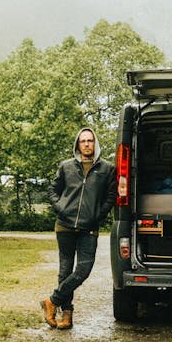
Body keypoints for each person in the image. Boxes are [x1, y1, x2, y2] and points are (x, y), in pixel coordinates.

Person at [40, 127, 116, 329]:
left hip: (88, 228)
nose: (87, 144)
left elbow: (110, 197)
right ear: (77, 144)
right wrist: (60, 208)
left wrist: (97, 216)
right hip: (64, 225)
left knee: (83, 269)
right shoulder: (66, 167)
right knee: (65, 271)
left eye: (90, 140)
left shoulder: (107, 169)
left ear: (95, 143)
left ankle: (51, 301)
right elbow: (52, 190)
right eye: (83, 141)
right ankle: (67, 314)